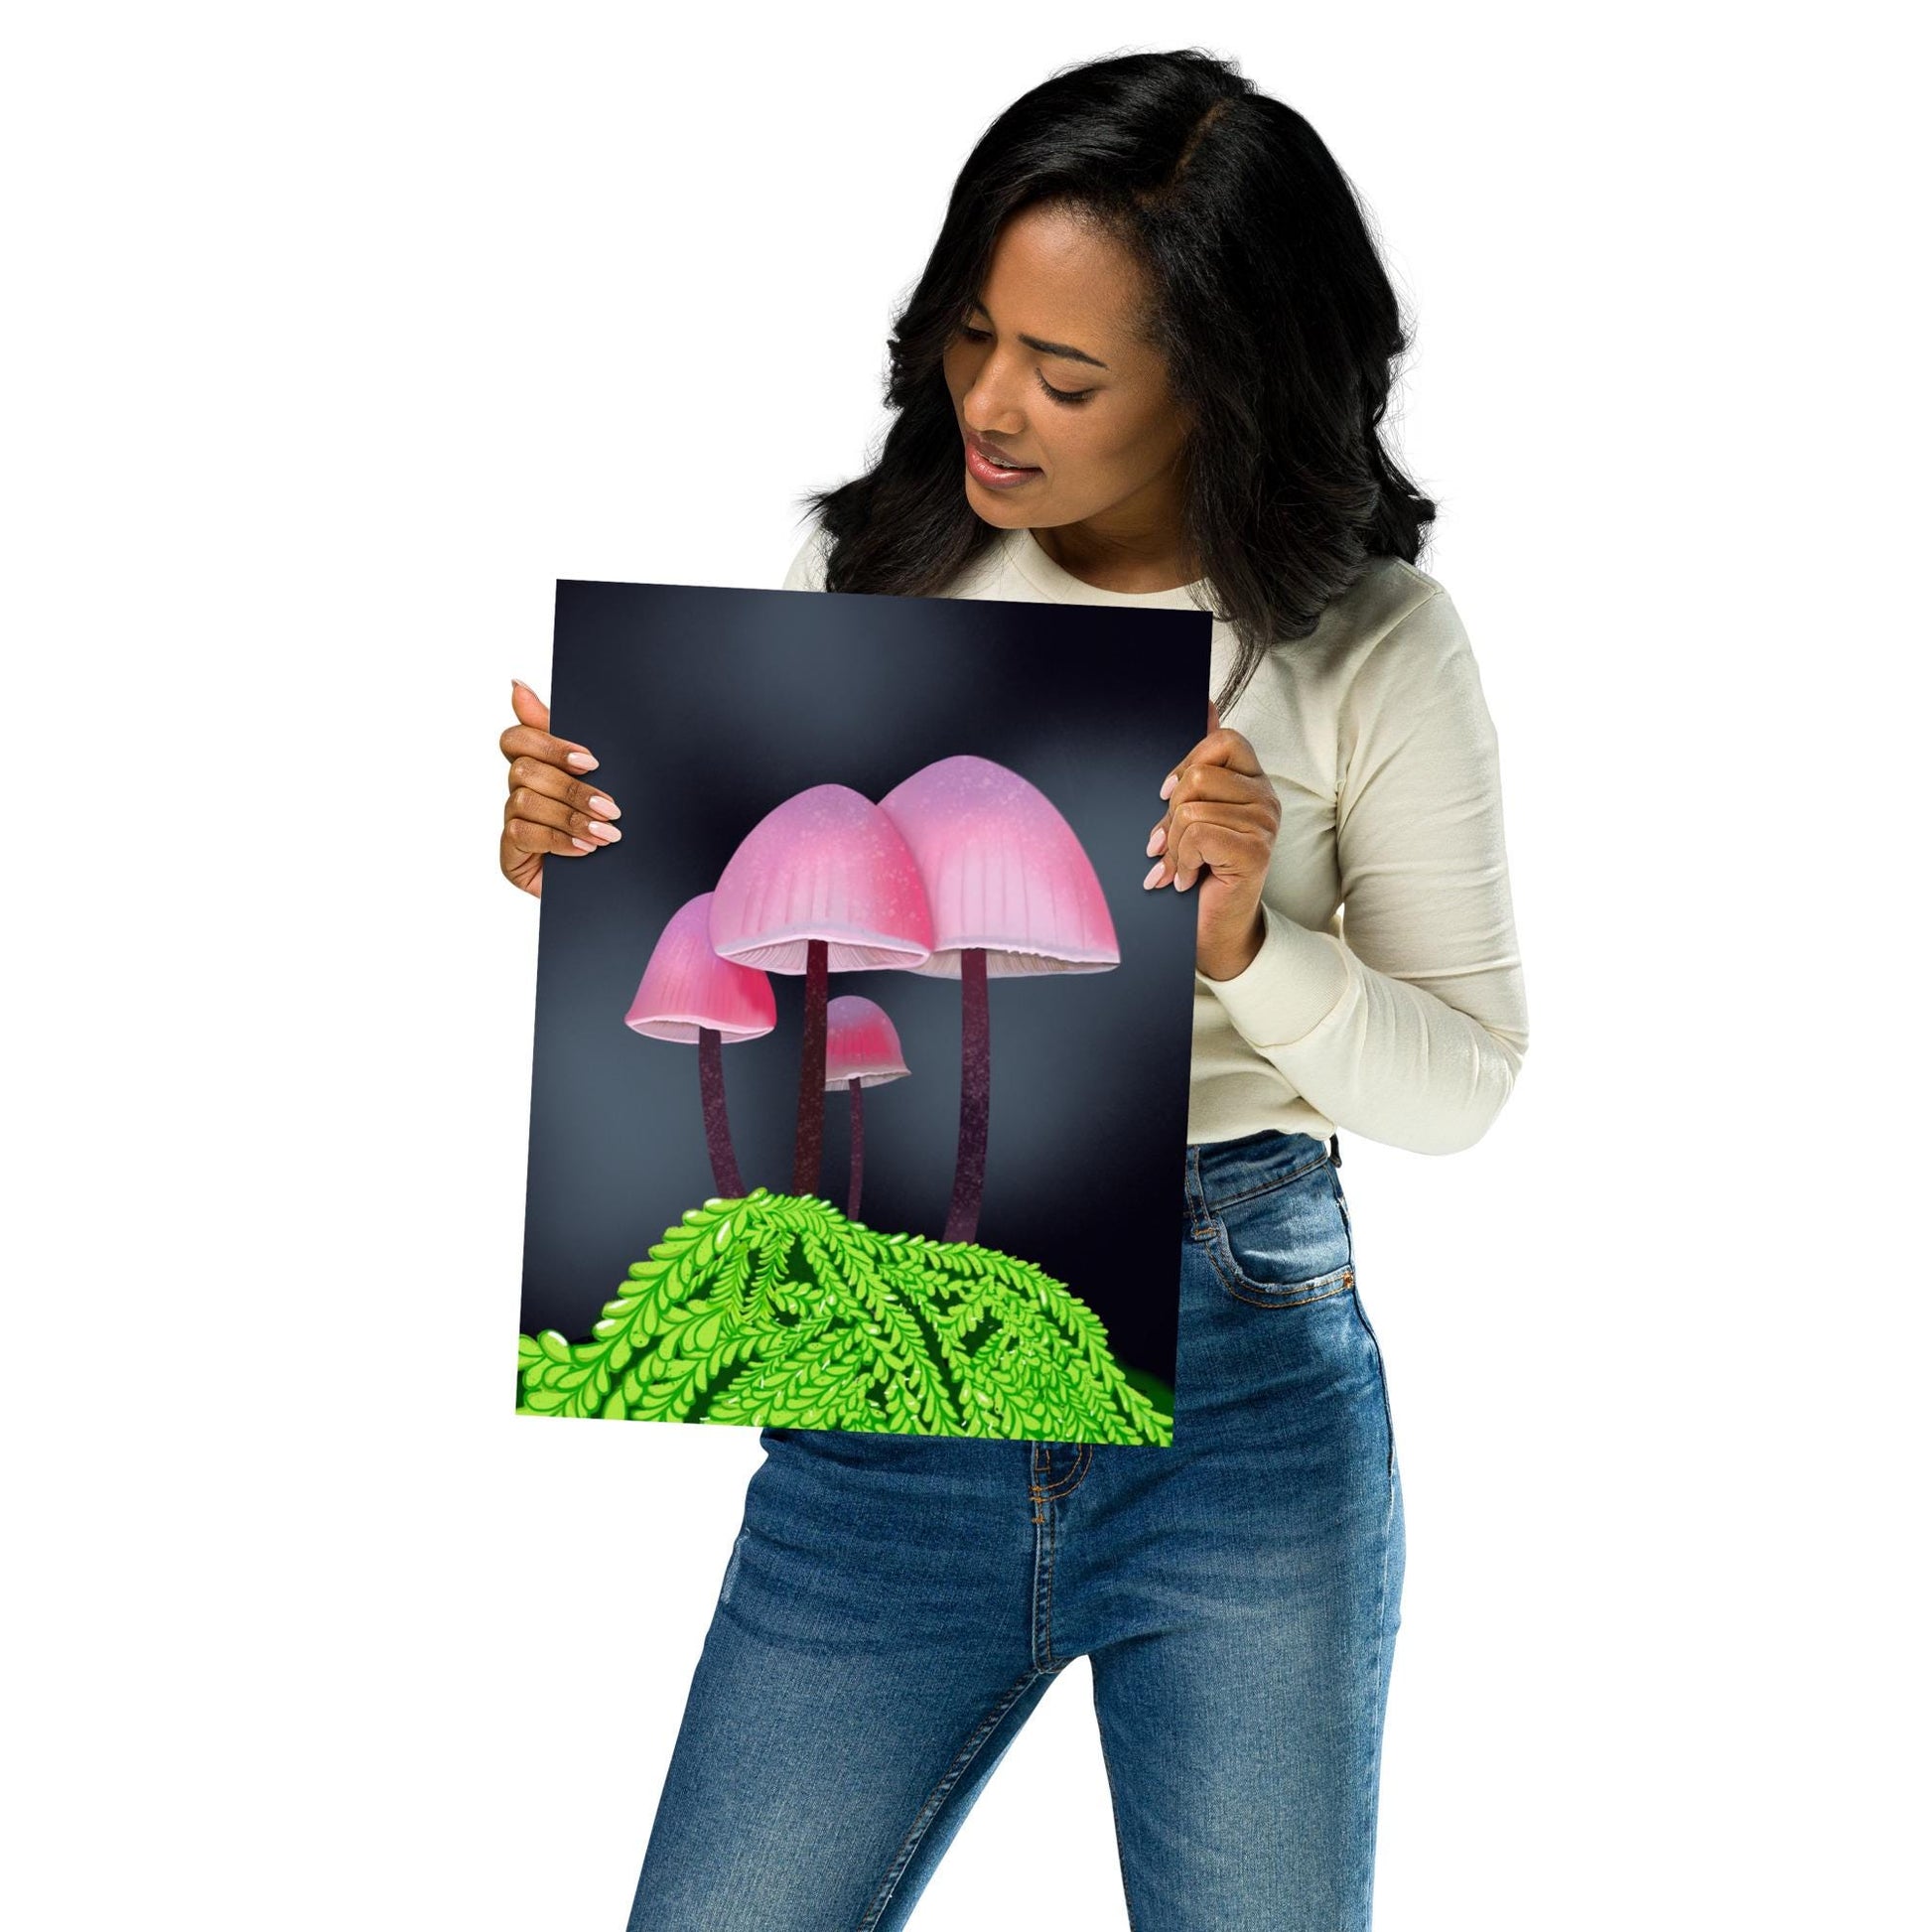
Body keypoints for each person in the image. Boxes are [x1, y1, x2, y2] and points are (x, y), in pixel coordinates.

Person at [497, 48, 1528, 1932]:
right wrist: (581, 846)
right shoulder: (871, 567)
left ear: (1224, 378)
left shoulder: (1370, 643)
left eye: (1064, 374)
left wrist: (1244, 944)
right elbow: (760, 946)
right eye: (972, 336)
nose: (989, 404)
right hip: (879, 1435)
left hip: (1242, 1398)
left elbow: (1463, 1081)